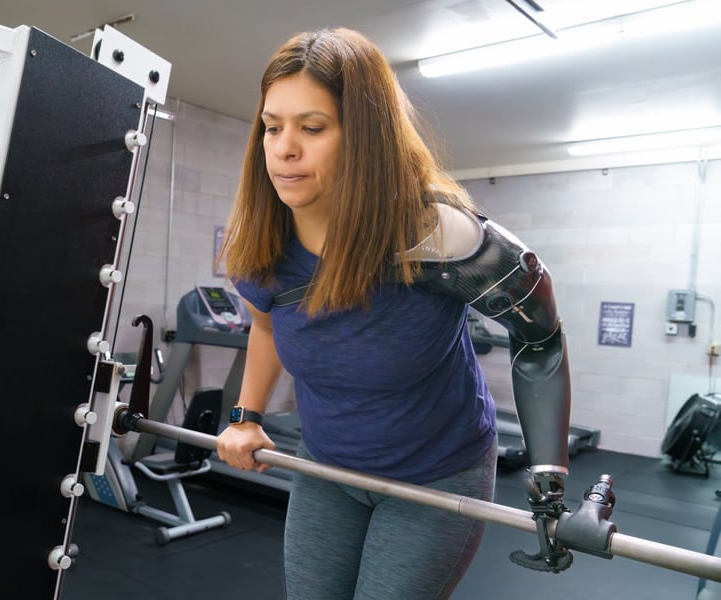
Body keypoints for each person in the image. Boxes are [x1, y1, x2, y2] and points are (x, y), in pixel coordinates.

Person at [216, 27, 571, 600]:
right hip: (329, 464)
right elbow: (265, 324)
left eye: (312, 128)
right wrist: (245, 415)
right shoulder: (264, 240)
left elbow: (541, 340)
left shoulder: (440, 235)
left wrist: (549, 480)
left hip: (438, 471)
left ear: (366, 137)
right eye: (272, 126)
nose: (284, 148)